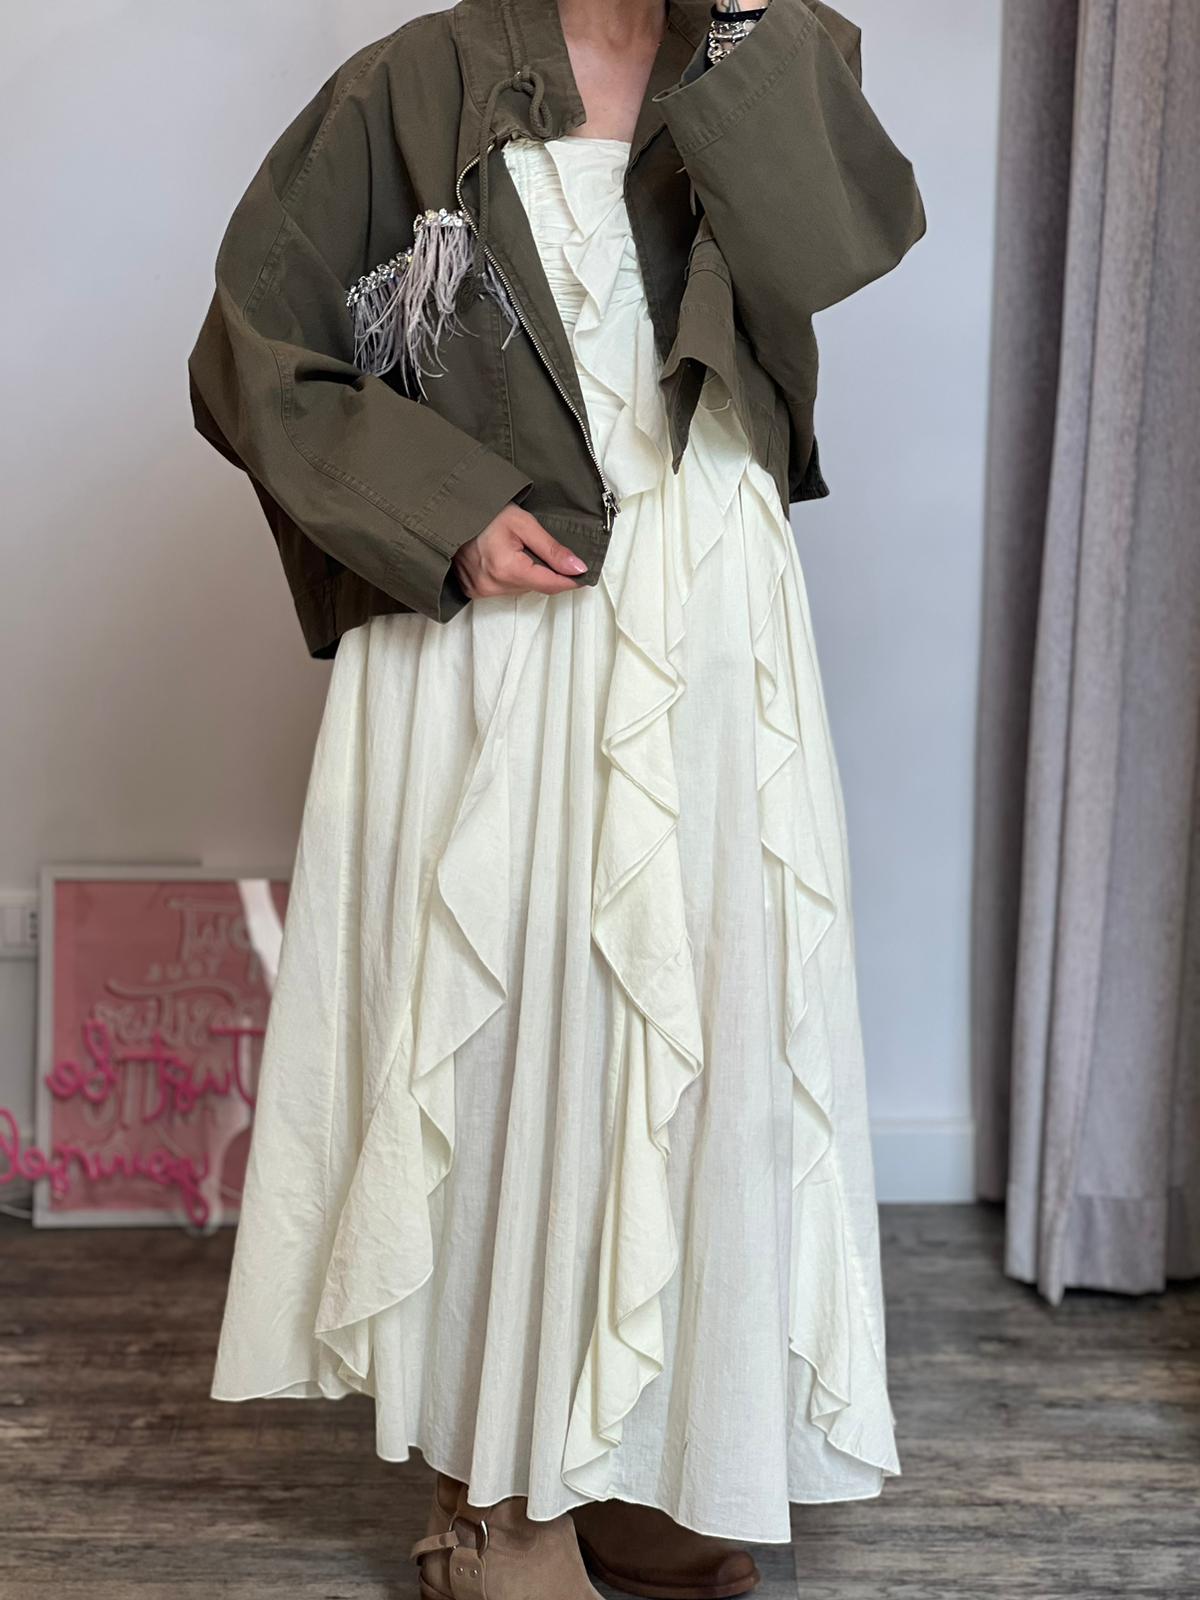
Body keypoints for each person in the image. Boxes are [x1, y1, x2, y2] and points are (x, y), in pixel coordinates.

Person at [187, 1, 925, 1595]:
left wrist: (746, 25)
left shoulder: (777, 42)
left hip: (709, 607)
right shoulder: (411, 81)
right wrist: (444, 515)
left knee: (696, 1018)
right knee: (509, 1024)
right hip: (504, 615)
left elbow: (824, 249)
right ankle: (497, 1496)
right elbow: (254, 355)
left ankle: (637, 1452)